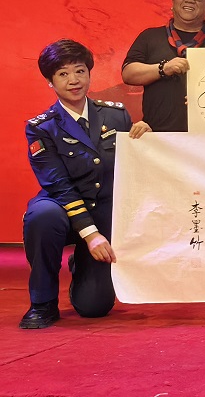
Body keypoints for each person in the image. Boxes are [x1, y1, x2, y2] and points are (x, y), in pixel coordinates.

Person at [21, 40, 151, 329]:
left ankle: (80, 263)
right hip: (63, 209)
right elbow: (59, 185)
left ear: (89, 74)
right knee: (42, 217)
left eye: (80, 71)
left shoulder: (116, 115)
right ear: (50, 82)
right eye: (63, 74)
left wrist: (145, 138)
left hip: (103, 211)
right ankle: (43, 302)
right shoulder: (41, 127)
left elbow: (132, 166)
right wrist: (91, 235)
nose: (74, 80)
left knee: (94, 307)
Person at [121, 0, 205, 132]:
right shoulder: (150, 37)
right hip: (156, 134)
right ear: (173, 2)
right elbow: (128, 74)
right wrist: (163, 69)